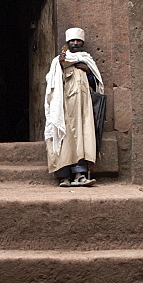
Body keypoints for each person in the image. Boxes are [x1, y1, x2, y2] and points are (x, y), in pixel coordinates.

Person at [44, 27, 104, 187]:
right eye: (72, 41)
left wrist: (88, 72)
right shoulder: (59, 61)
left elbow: (97, 85)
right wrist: (61, 65)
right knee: (63, 138)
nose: (75, 43)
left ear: (82, 42)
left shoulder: (87, 61)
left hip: (83, 110)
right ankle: (64, 177)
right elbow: (51, 82)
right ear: (67, 42)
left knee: (83, 139)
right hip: (63, 109)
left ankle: (80, 175)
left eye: (78, 41)